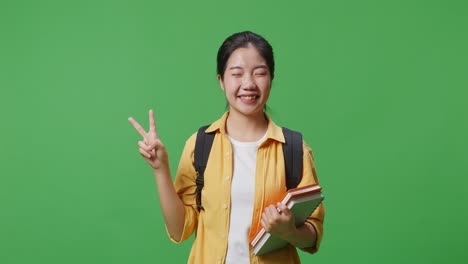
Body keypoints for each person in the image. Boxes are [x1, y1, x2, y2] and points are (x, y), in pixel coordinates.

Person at [128, 31, 325, 264]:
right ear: (221, 81)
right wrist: (160, 169)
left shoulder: (293, 149)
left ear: (271, 78)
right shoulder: (200, 144)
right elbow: (179, 230)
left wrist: (289, 231)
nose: (249, 83)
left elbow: (312, 236)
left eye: (259, 73)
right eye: (237, 74)